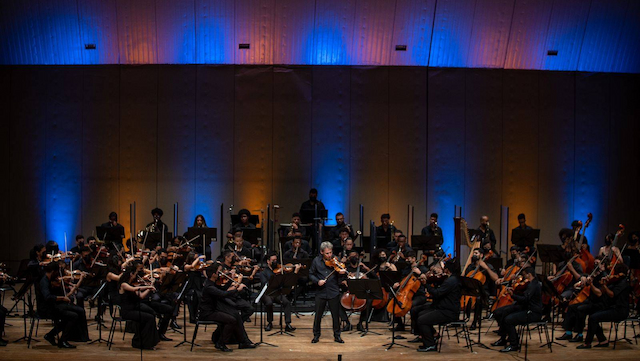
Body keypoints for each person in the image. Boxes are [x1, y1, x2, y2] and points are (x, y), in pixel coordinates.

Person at [199, 263, 256, 352]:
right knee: (232, 319)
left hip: (215, 309)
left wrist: (231, 280)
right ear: (213, 274)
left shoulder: (212, 283)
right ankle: (221, 343)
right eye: (218, 272)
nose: (220, 273)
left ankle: (243, 341)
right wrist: (237, 288)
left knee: (235, 314)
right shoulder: (209, 287)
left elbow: (223, 289)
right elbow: (223, 294)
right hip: (208, 313)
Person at [577, 263, 630, 349]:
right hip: (613, 308)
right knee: (593, 316)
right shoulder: (615, 281)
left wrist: (604, 285)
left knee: (593, 318)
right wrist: (602, 284)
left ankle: (587, 343)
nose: (613, 274)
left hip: (620, 311)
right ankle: (602, 340)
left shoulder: (623, 282)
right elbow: (602, 293)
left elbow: (612, 294)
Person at [38, 262, 89, 348]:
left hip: (54, 305)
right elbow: (48, 297)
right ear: (53, 271)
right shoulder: (44, 281)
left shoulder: (50, 279)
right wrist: (62, 298)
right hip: (47, 308)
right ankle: (63, 340)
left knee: (78, 311)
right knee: (73, 316)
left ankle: (54, 335)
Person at [492, 267, 542, 352]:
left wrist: (513, 295)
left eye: (524, 275)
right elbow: (523, 295)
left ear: (529, 275)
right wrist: (514, 291)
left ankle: (514, 344)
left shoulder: (534, 285)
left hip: (532, 312)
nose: (523, 277)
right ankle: (506, 337)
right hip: (524, 307)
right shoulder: (530, 284)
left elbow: (525, 299)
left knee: (508, 319)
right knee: (499, 312)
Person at [415, 260, 461, 352]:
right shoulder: (452, 279)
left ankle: (430, 345)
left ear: (447, 270)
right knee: (420, 315)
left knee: (421, 320)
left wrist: (426, 285)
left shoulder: (451, 281)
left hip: (448, 312)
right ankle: (431, 337)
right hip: (445, 308)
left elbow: (437, 293)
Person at [310, 241, 347, 344]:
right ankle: (316, 335)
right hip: (320, 292)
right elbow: (311, 274)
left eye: (330, 252)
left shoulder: (336, 260)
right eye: (327, 253)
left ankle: (337, 335)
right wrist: (318, 281)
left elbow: (340, 277)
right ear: (322, 252)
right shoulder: (316, 261)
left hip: (333, 291)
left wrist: (342, 273)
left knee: (335, 316)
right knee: (318, 315)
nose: (330, 255)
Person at [118, 263, 160, 350]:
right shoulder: (123, 285)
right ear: (131, 274)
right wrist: (147, 286)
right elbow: (133, 289)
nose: (136, 277)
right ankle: (145, 343)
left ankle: (140, 341)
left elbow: (141, 296)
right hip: (127, 312)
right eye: (135, 274)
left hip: (133, 309)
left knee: (150, 317)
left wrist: (149, 288)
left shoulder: (132, 285)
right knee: (149, 318)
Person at [260, 252, 300, 332]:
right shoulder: (263, 272)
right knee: (269, 303)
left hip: (277, 293)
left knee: (286, 302)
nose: (275, 262)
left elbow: (288, 281)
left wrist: (294, 271)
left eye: (276, 260)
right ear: (268, 261)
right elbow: (266, 284)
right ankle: (269, 322)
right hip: (267, 293)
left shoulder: (281, 270)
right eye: (273, 260)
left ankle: (288, 324)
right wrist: (276, 275)